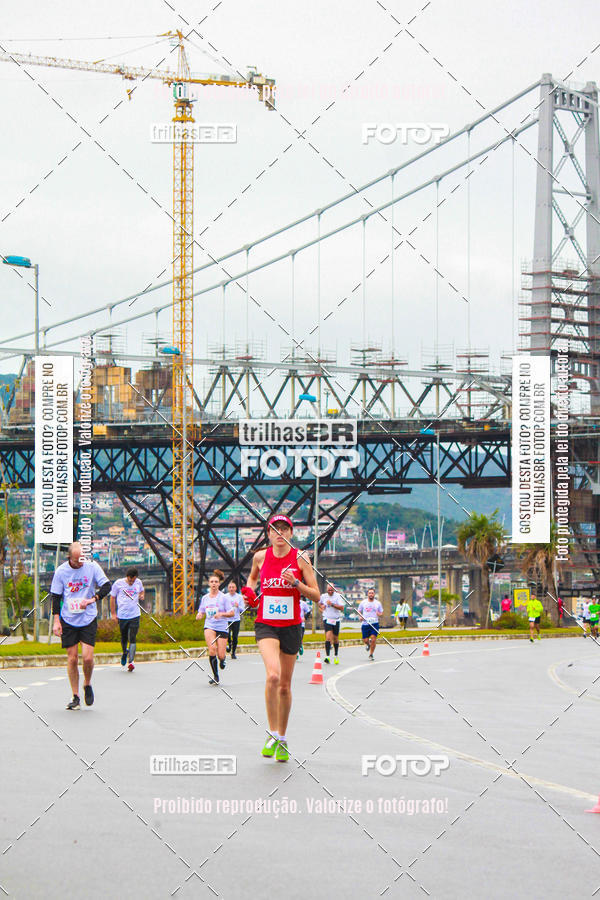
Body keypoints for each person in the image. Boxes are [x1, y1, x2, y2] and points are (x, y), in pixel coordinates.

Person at [242, 514, 320, 763]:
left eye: (284, 529)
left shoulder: (301, 558)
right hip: (266, 624)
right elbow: (253, 578)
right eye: (274, 529)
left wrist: (296, 583)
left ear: (290, 533)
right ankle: (272, 733)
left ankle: (283, 738)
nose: (279, 533)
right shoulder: (260, 557)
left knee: (285, 686)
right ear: (268, 533)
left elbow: (316, 595)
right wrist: (250, 593)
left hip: (291, 626)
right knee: (272, 675)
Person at [50, 542, 111, 709]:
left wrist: (93, 599)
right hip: (68, 619)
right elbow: (55, 597)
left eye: (82, 559)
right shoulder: (61, 571)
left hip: (88, 617)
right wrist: (56, 621)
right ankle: (75, 696)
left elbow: (107, 586)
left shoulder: (92, 566)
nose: (80, 563)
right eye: (77, 561)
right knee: (72, 658)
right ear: (69, 558)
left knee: (88, 657)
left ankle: (87, 683)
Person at [196, 570, 235, 684]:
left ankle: (222, 660)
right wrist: (199, 614)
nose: (213, 584)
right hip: (209, 626)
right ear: (208, 583)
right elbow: (201, 611)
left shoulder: (224, 598)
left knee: (221, 655)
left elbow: (232, 613)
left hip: (222, 627)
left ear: (219, 584)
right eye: (212, 581)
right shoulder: (205, 598)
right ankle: (215, 676)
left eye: (216, 582)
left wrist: (221, 614)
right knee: (212, 649)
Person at [110, 567, 145, 672]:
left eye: (133, 581)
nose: (131, 582)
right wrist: (113, 613)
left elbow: (142, 591)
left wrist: (142, 595)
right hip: (122, 615)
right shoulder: (118, 583)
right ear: (127, 577)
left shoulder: (138, 582)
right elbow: (112, 597)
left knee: (133, 637)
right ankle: (125, 653)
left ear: (136, 578)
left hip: (135, 614)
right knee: (124, 637)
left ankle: (131, 661)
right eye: (130, 580)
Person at [319, 583, 344, 664]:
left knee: (335, 639)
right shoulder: (323, 596)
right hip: (327, 618)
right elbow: (319, 603)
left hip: (336, 619)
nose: (330, 591)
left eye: (331, 590)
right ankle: (327, 656)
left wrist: (332, 604)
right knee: (328, 637)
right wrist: (321, 607)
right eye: (329, 590)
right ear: (327, 589)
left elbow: (342, 608)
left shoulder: (338, 596)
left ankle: (336, 655)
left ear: (334, 589)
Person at [358, 588, 383, 660]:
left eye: (372, 593)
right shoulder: (363, 602)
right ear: (367, 594)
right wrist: (360, 616)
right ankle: (368, 644)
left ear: (374, 594)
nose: (371, 594)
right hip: (365, 624)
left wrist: (379, 614)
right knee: (365, 640)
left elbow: (381, 613)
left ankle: (371, 654)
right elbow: (359, 610)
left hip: (374, 623)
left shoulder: (378, 603)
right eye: (370, 593)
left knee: (373, 639)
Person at [225, 580, 244, 659]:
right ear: (228, 588)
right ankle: (229, 645)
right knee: (227, 635)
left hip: (236, 619)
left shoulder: (239, 597)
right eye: (230, 587)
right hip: (227, 619)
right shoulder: (225, 597)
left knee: (235, 637)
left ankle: (233, 653)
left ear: (236, 588)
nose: (231, 589)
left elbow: (242, 609)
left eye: (233, 587)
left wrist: (238, 606)